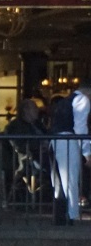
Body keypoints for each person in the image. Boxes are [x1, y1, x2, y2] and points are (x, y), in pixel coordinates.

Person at [49, 82, 91, 225]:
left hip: (56, 139)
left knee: (60, 180)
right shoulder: (82, 100)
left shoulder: (66, 100)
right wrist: (87, 151)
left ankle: (61, 215)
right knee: (70, 179)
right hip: (68, 140)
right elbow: (80, 127)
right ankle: (71, 214)